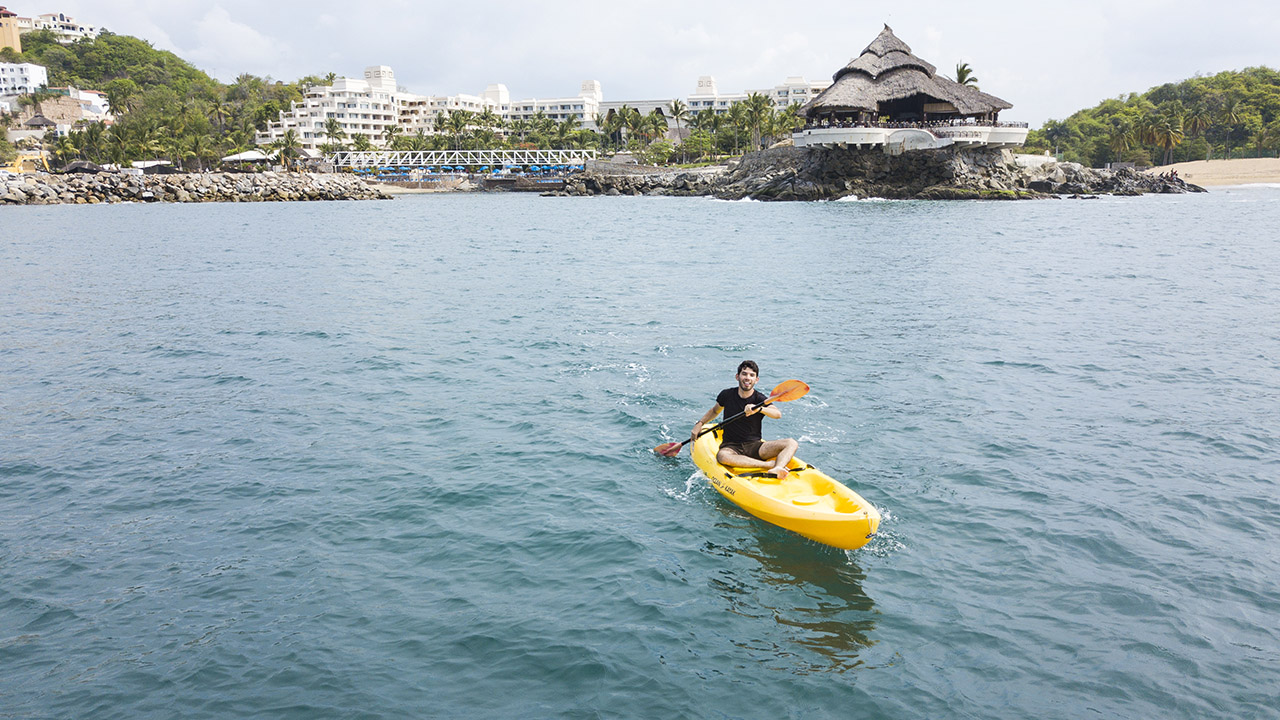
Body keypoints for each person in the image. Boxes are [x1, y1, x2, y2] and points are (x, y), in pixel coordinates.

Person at [691, 360, 798, 479]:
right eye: (744, 374)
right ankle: (768, 465)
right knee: (722, 456)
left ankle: (778, 467)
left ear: (756, 380)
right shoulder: (727, 394)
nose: (748, 378)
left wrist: (759, 409)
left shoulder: (760, 399)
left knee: (791, 443)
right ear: (737, 377)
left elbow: (777, 414)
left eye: (752, 375)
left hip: (755, 446)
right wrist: (700, 423)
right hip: (731, 446)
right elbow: (715, 411)